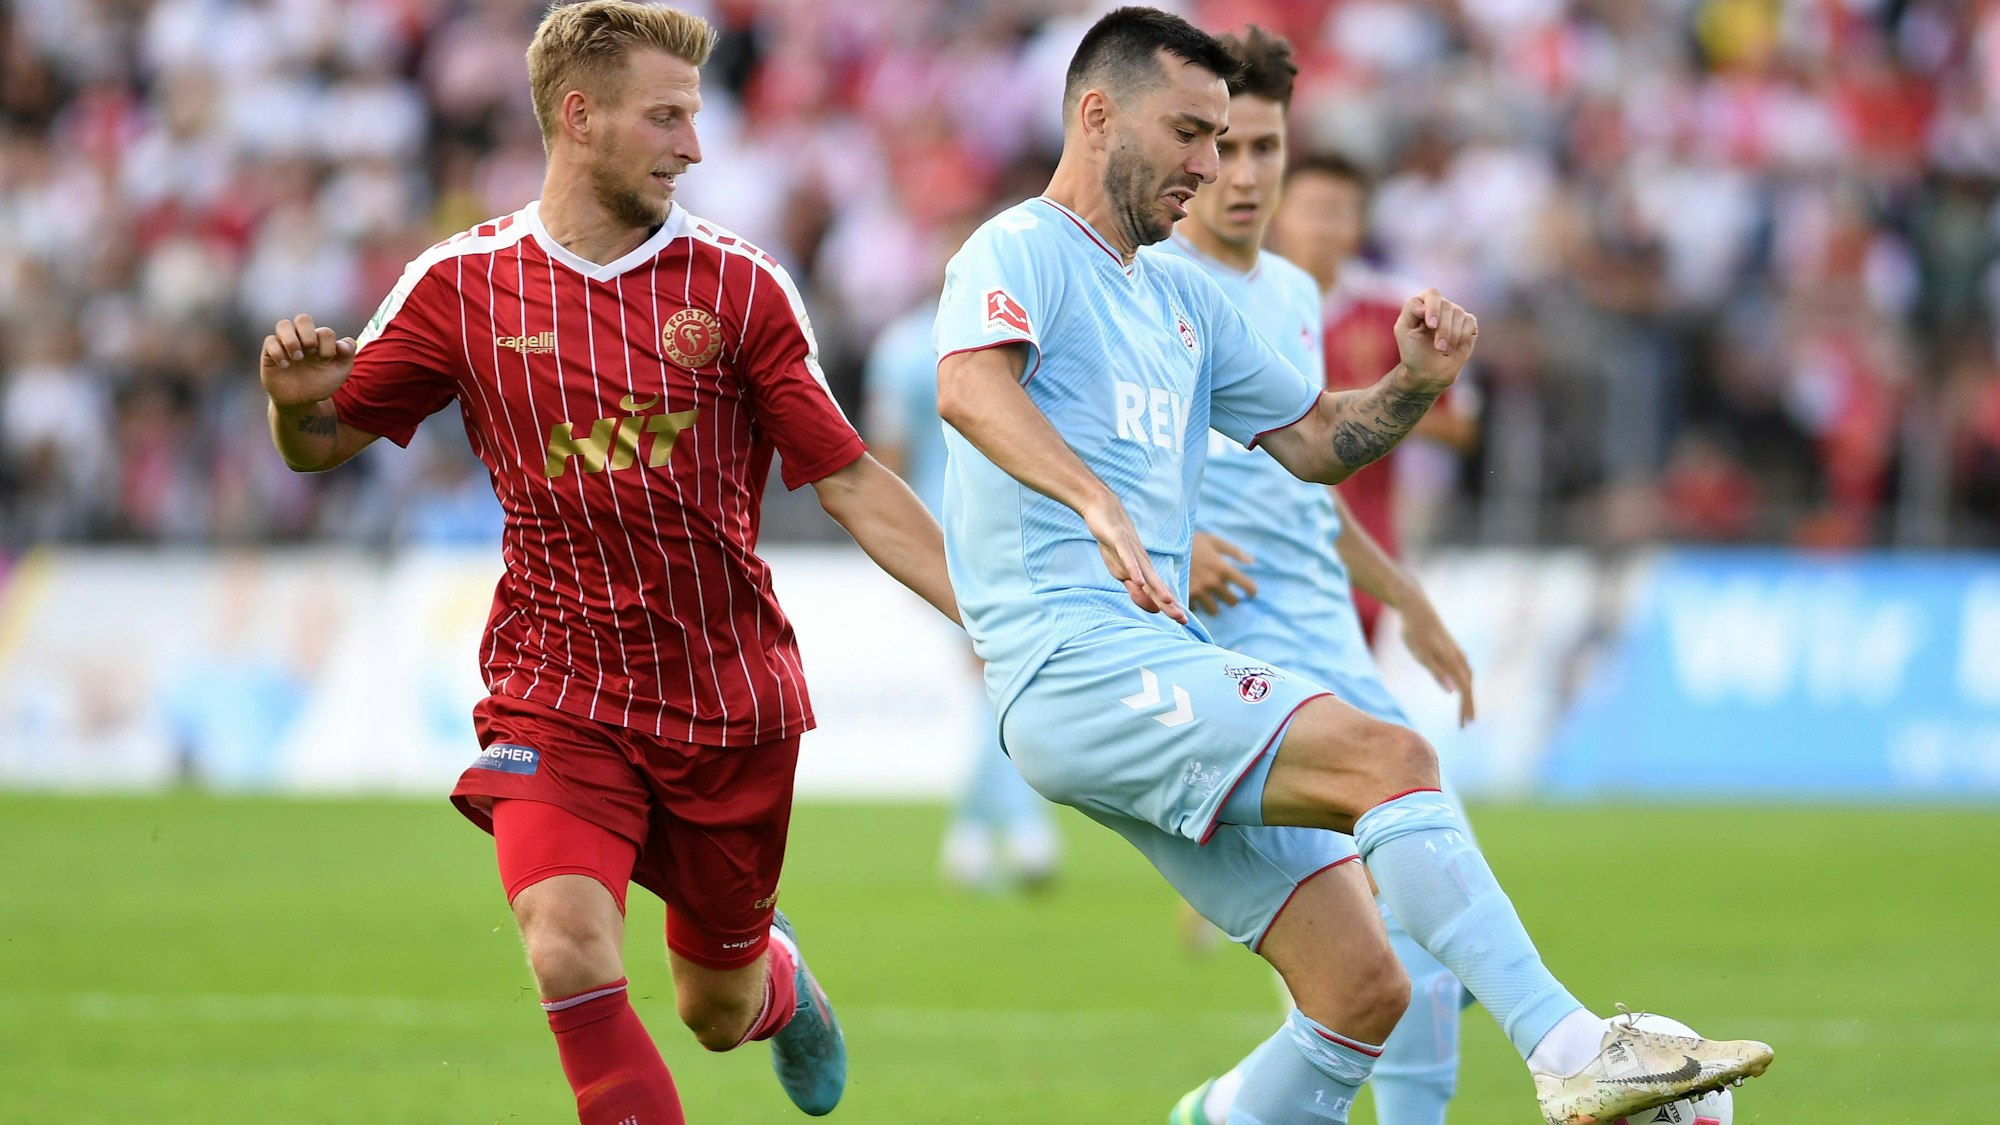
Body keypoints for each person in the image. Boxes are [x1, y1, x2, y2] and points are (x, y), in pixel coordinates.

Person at [931, 8, 1771, 1125]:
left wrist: (1413, 385)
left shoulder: (1178, 296)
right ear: (1095, 114)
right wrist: (1090, 496)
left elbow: (1320, 439)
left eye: (1226, 139)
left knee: (1360, 988)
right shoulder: (1018, 248)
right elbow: (968, 387)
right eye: (1188, 133)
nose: (1209, 165)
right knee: (1386, 756)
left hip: (1142, 662)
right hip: (1075, 661)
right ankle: (1574, 1049)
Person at [255, 4, 955, 1122]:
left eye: (693, 116)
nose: (693, 145)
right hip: (556, 693)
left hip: (724, 701)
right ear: (578, 118)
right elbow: (321, 445)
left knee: (713, 1011)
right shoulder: (458, 286)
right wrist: (294, 413)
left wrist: (996, 613)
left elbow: (852, 479)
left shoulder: (740, 288)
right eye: (665, 117)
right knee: (567, 950)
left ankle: (780, 983)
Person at [1154, 28, 1475, 1125]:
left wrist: (1410, 595)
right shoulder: (1163, 284)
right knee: (1409, 892)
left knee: (1402, 919)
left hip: (1330, 611)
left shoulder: (1294, 299)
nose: (1250, 176)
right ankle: (1554, 1033)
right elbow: (1117, 444)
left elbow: (1310, 482)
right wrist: (1162, 544)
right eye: (1225, 149)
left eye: (1268, 152)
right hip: (1238, 635)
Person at [863, 237, 1062, 892]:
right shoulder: (1011, 338)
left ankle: (980, 832)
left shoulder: (898, 345)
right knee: (999, 679)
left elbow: (885, 454)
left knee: (996, 680)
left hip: (934, 529)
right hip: (988, 531)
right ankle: (1014, 829)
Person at [1267, 153, 1482, 641]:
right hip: (1262, 550)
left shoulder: (1398, 307)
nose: (1324, 226)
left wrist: (1377, 408)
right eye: (1312, 209)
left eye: (1339, 211)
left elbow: (1463, 426)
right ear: (1277, 216)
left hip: (1366, 546)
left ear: (1359, 226)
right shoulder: (1239, 304)